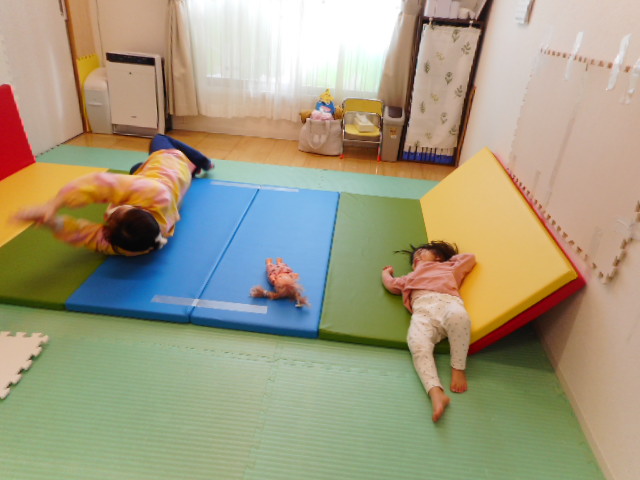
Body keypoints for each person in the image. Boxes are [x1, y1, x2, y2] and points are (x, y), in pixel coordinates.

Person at [14, 134, 212, 256]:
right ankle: (202, 161)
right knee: (161, 139)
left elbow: (87, 235)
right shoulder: (152, 194)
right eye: (120, 212)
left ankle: (194, 163)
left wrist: (51, 221)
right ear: (141, 209)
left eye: (110, 220)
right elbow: (96, 184)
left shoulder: (128, 246)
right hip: (171, 166)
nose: (112, 212)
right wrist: (53, 205)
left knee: (137, 168)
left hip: (168, 180)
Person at [381, 241, 476, 423]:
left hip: (447, 303)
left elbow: (469, 258)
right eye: (414, 258)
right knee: (417, 344)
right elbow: (392, 285)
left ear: (438, 257)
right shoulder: (410, 277)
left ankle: (458, 367)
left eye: (422, 252)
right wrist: (386, 273)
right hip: (422, 313)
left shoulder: (448, 268)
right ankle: (435, 392)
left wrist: (447, 258)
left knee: (460, 317)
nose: (417, 256)